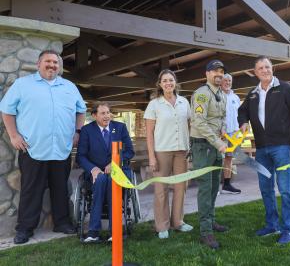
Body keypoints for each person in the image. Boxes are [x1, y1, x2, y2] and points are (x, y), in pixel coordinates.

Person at [0, 50, 86, 244]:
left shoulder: (69, 87)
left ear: (59, 66)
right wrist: (14, 135)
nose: (52, 65)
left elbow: (81, 110)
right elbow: (6, 110)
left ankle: (62, 223)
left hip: (61, 149)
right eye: (48, 61)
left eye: (55, 62)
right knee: (31, 190)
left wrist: (77, 132)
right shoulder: (23, 85)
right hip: (32, 148)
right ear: (39, 63)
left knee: (61, 188)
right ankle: (25, 229)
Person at [238, 56, 290, 244]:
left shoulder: (285, 88)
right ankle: (271, 224)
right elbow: (242, 110)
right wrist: (243, 122)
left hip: (282, 147)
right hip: (261, 149)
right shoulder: (252, 93)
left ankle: (287, 229)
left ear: (272, 68)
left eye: (267, 67)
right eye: (260, 68)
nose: (264, 70)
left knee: (285, 189)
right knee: (266, 189)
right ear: (255, 72)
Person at [144, 69, 193, 239]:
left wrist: (190, 147)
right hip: (161, 151)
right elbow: (149, 133)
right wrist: (151, 157)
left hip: (182, 151)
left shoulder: (184, 102)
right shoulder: (154, 105)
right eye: (164, 80)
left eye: (170, 80)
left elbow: (190, 125)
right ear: (160, 84)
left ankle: (178, 221)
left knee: (181, 187)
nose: (168, 83)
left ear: (175, 82)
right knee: (161, 189)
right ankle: (162, 225)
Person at [76, 102, 135, 242]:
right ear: (94, 115)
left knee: (112, 180)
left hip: (117, 170)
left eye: (108, 112)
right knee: (102, 179)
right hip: (95, 173)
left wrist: (114, 164)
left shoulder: (120, 128)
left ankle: (114, 231)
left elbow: (129, 151)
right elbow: (81, 156)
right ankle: (93, 232)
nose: (107, 116)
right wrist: (93, 169)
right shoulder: (87, 130)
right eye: (103, 113)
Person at [190, 60, 228, 249]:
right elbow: (199, 122)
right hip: (203, 147)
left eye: (221, 71)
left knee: (214, 186)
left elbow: (220, 120)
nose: (218, 74)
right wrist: (218, 142)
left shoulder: (221, 94)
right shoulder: (202, 94)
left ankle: (210, 221)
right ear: (207, 73)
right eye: (214, 71)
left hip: (215, 146)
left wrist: (224, 134)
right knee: (205, 188)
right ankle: (205, 232)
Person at [220, 73, 241, 194]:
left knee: (229, 158)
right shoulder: (217, 96)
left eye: (229, 81)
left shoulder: (236, 97)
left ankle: (226, 185)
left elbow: (239, 116)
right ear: (221, 82)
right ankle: (213, 187)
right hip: (221, 134)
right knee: (217, 159)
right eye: (225, 80)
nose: (227, 82)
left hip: (233, 134)